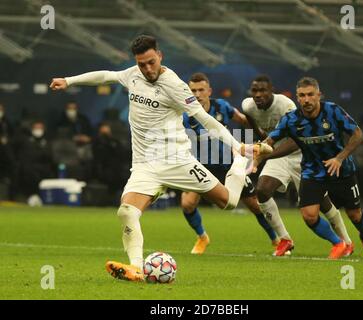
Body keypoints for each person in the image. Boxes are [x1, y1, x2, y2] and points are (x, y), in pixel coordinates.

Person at [50, 35, 253, 282]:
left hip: (178, 161)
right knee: (126, 212)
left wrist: (237, 146)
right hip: (146, 164)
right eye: (141, 64)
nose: (147, 69)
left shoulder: (175, 86)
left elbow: (206, 119)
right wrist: (68, 81)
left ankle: (241, 163)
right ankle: (136, 268)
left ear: (160, 56)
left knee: (229, 202)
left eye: (151, 62)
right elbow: (106, 76)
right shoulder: (133, 74)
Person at [256, 77, 363, 259]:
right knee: (309, 216)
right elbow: (270, 141)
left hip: (341, 169)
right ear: (297, 98)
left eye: (310, 95)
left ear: (319, 95)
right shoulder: (291, 119)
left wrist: (339, 158)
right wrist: (257, 150)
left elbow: (358, 134)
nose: (306, 99)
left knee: (355, 215)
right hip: (313, 171)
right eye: (302, 95)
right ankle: (338, 243)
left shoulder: (333, 111)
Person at [182, 72, 278, 255]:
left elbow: (243, 120)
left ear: (209, 91)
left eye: (201, 90)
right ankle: (202, 237)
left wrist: (262, 137)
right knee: (187, 204)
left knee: (255, 205)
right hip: (201, 167)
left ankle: (276, 240)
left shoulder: (221, 107)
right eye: (192, 90)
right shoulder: (185, 114)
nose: (197, 94)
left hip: (228, 166)